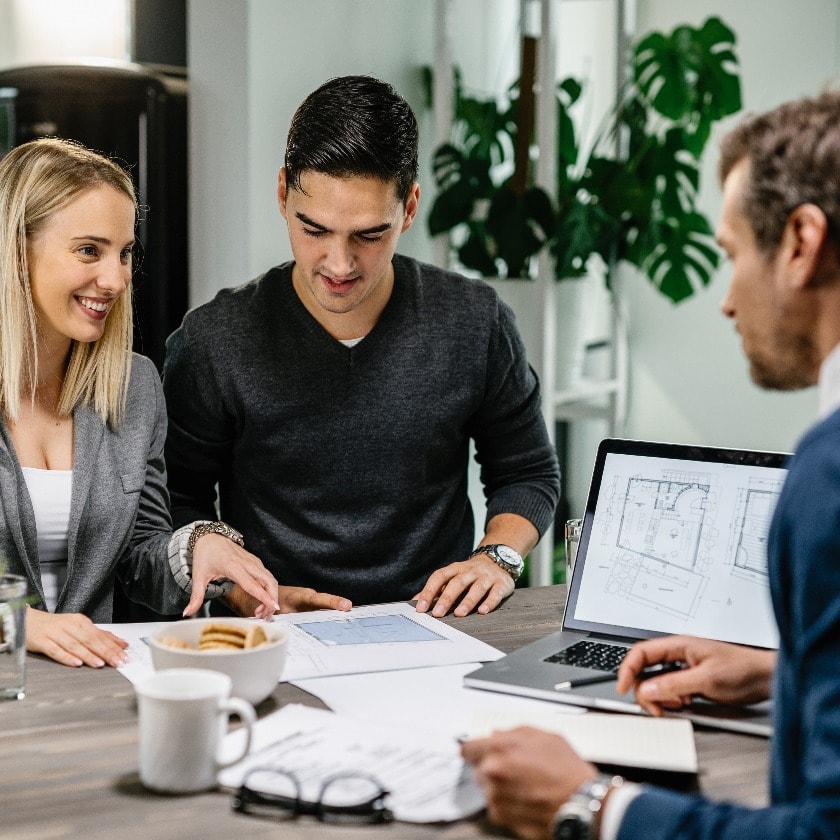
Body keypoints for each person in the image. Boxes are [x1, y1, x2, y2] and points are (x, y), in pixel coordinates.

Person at [462, 90, 840, 840]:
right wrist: (780, 674)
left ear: (800, 242)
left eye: (732, 256)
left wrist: (593, 804)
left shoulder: (828, 479)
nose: (727, 301)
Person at [162, 75, 560, 618]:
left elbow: (527, 472)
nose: (340, 264)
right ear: (283, 195)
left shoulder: (474, 321)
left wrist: (496, 558)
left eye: (369, 235)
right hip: (273, 633)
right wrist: (237, 589)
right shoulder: (215, 341)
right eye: (315, 229)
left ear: (410, 208)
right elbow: (174, 504)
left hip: (439, 627)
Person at [0, 138, 340, 670]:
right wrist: (21, 625)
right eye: (89, 250)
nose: (115, 279)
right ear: (16, 250)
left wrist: (203, 552)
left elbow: (139, 554)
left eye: (124, 252)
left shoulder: (133, 386)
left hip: (98, 688)